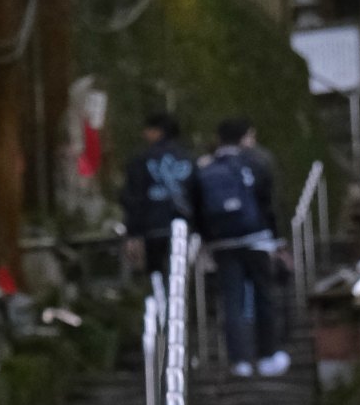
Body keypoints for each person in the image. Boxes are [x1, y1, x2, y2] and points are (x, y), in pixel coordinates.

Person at [197, 117, 289, 376]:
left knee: (232, 300)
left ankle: (239, 361)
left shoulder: (207, 167)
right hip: (256, 238)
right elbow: (268, 203)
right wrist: (277, 240)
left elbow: (197, 207)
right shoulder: (257, 161)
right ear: (246, 136)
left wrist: (207, 239)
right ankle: (268, 355)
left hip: (222, 243)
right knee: (263, 296)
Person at [121, 109, 195, 279]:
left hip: (152, 228)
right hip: (186, 226)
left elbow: (134, 197)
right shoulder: (188, 158)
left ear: (157, 131)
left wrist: (132, 232)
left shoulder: (141, 160)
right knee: (183, 276)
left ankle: (159, 302)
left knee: (156, 276)